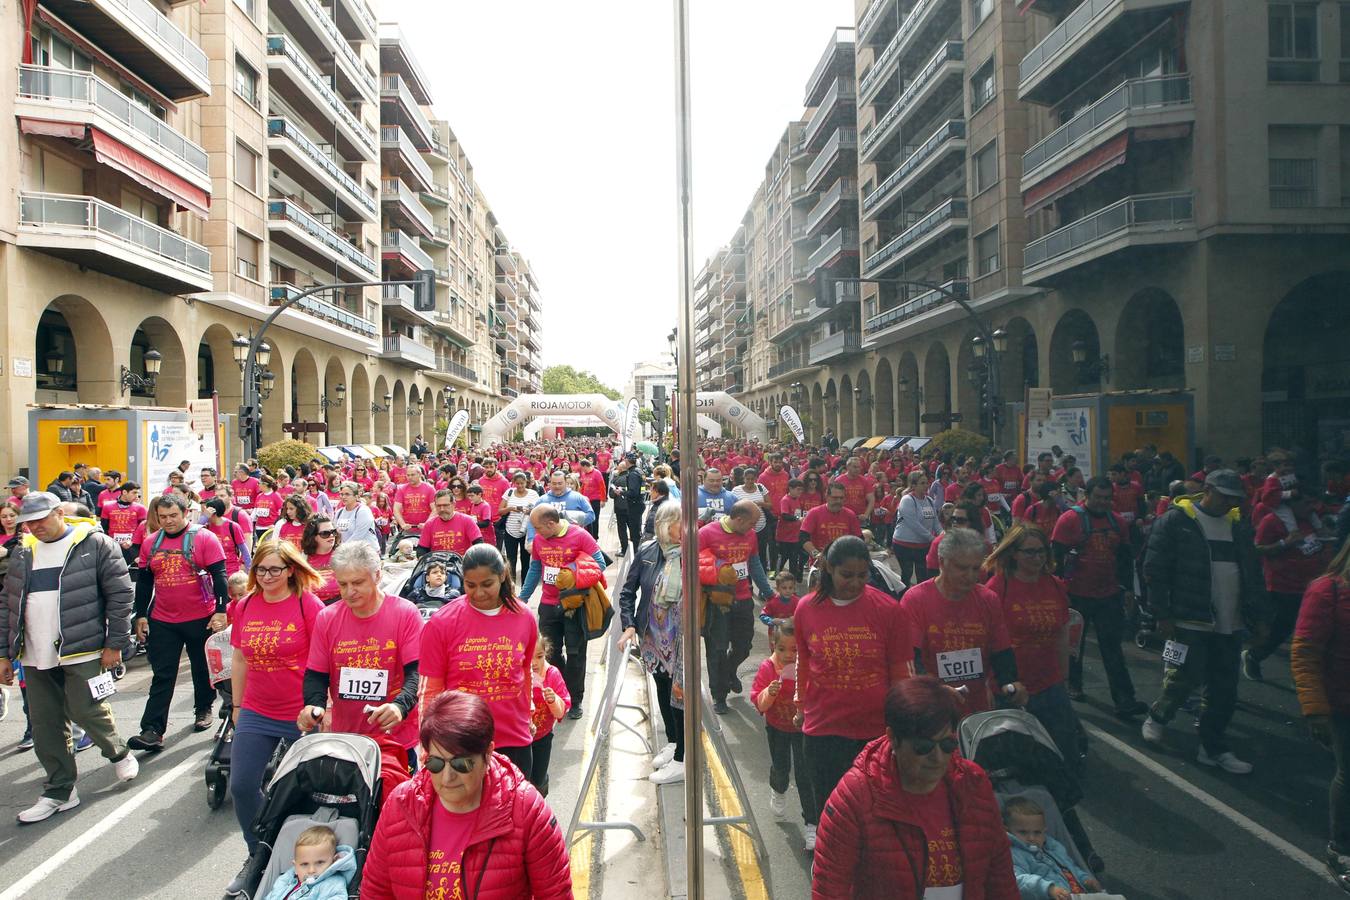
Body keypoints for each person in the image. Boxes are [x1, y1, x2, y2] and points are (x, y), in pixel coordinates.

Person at [811, 676, 1019, 899]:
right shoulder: (854, 797)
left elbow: (1001, 879)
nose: (938, 758)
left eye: (947, 744)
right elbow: (829, 891)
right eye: (923, 747)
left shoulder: (974, 785)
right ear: (893, 739)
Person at [0, 492, 139, 823]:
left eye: (39, 520)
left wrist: (115, 643)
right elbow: (7, 604)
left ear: (59, 513)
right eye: (27, 523)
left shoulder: (95, 544)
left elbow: (120, 595)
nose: (34, 528)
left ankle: (117, 751)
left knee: (86, 708)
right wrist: (4, 654)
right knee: (45, 723)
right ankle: (59, 790)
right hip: (34, 652)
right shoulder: (23, 553)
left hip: (85, 647)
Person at [361, 690, 571, 899]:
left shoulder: (527, 810)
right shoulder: (400, 806)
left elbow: (556, 894)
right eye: (435, 764)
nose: (447, 777)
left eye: (461, 764)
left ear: (488, 754)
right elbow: (376, 891)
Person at [794, 535, 912, 851]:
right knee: (831, 813)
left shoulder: (888, 610)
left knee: (875, 814)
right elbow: (804, 661)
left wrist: (903, 723)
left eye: (863, 575)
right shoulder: (806, 608)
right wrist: (800, 705)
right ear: (829, 569)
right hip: (823, 730)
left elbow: (902, 672)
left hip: (875, 731)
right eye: (848, 575)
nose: (856, 583)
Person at [1142, 469, 1264, 774]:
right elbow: (1154, 569)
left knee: (1224, 689)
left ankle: (1213, 747)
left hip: (1230, 621)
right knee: (1183, 676)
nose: (1229, 503)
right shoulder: (1175, 521)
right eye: (1225, 496)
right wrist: (1162, 614)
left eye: (1235, 498)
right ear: (1208, 490)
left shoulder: (1238, 526)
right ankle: (1159, 716)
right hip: (1189, 618)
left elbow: (1253, 572)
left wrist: (1261, 617)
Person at [298, 542, 422, 797]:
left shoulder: (405, 613)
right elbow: (316, 674)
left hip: (396, 740)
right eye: (343, 584)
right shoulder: (327, 618)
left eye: (357, 583)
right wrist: (314, 705)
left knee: (397, 816)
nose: (349, 592)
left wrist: (400, 706)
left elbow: (417, 672)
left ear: (377, 576)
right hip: (348, 739)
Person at [228, 541, 324, 848]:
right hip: (257, 709)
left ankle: (310, 853)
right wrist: (237, 704)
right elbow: (240, 658)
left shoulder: (307, 604)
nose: (267, 576)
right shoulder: (245, 605)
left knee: (311, 791)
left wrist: (325, 704)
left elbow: (325, 660)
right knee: (242, 786)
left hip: (302, 712)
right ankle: (258, 850)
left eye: (275, 569)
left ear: (291, 570)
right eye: (260, 569)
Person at [419, 544, 538, 780]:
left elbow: (525, 672)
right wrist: (428, 747)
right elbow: (430, 691)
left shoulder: (524, 617)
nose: (479, 593)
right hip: (461, 743)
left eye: (487, 584)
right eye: (470, 585)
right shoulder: (442, 622)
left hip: (514, 737)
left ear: (502, 575)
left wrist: (529, 714)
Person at [128, 494, 230, 751]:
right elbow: (144, 581)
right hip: (163, 619)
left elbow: (220, 575)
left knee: (200, 668)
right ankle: (152, 730)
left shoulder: (204, 538)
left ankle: (203, 708)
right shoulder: (151, 542)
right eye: (163, 517)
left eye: (173, 515)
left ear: (185, 513)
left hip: (200, 617)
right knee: (162, 674)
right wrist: (141, 614)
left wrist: (220, 610)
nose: (169, 521)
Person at [903, 529, 1026, 718]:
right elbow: (911, 658)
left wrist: (1011, 682)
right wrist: (936, 690)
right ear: (942, 563)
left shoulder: (988, 599)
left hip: (977, 706)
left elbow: (1001, 650)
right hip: (933, 705)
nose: (970, 576)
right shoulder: (916, 600)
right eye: (962, 568)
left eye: (976, 568)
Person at [983, 524, 1078, 769]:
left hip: (1049, 683)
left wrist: (1064, 679)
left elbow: (1061, 635)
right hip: (1010, 686)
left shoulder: (1055, 585)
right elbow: (987, 639)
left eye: (1041, 551)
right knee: (1017, 760)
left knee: (1065, 753)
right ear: (1014, 553)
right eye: (1030, 552)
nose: (1037, 557)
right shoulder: (997, 588)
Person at [1051, 477, 1145, 717]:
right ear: (1087, 496)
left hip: (1108, 595)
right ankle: (1073, 684)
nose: (1102, 502)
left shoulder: (1118, 523)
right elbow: (1056, 558)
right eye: (1098, 497)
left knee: (1112, 648)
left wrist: (1128, 590)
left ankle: (1125, 699)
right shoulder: (1069, 519)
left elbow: (1125, 559)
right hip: (1075, 595)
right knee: (1074, 648)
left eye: (1107, 498)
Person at [1292, 542, 1350, 889]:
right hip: (1341, 704)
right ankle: (1340, 848)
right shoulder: (1326, 590)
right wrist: (1314, 711)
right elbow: (1305, 653)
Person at [620, 501, 688, 785]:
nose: (685, 528)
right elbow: (628, 591)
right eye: (679, 522)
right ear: (664, 525)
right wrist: (629, 625)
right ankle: (673, 743)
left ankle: (684, 759)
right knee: (661, 685)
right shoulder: (648, 551)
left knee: (679, 693)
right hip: (652, 634)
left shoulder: (693, 555)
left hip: (680, 637)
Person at [519, 505, 606, 721]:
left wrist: (570, 573)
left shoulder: (580, 536)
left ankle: (575, 700)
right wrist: (522, 598)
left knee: (576, 654)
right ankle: (560, 692)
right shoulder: (540, 541)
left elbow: (600, 564)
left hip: (574, 605)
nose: (536, 534)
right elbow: (535, 569)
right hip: (548, 605)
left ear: (550, 524)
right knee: (551, 652)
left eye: (538, 528)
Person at [700, 500, 775, 715]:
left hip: (743, 598)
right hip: (718, 602)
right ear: (739, 519)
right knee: (717, 649)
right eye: (751, 524)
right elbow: (693, 564)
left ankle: (730, 672)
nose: (753, 529)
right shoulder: (706, 533)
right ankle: (719, 694)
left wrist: (768, 592)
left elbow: (754, 563)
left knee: (743, 645)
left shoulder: (750, 536)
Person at [1248, 489, 1327, 680]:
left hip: (1314, 586)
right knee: (1280, 630)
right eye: (1307, 504)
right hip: (1284, 587)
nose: (1312, 508)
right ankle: (1254, 656)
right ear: (1292, 505)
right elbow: (1257, 550)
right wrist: (1285, 543)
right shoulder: (1272, 521)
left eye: (1313, 504)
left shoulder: (1312, 520)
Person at [753, 621, 816, 842]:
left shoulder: (808, 669)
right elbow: (760, 704)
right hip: (777, 727)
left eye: (795, 650)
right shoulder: (767, 669)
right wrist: (769, 693)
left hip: (802, 729)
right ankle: (778, 790)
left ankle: (811, 824)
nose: (788, 655)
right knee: (781, 768)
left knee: (805, 774)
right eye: (782, 649)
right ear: (773, 646)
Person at [1004, 797, 1101, 900]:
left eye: (1037, 832)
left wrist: (1084, 878)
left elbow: (1070, 867)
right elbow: (1017, 880)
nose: (1031, 838)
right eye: (1023, 832)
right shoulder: (1014, 853)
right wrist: (1048, 888)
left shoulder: (1053, 847)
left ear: (1044, 830)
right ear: (1008, 830)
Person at [263, 824, 356, 900]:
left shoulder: (334, 884)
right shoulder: (285, 881)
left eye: (320, 862)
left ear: (334, 861)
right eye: (304, 864)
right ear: (295, 867)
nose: (311, 870)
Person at [528, 635, 570, 796]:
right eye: (528, 657)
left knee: (538, 779)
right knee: (522, 780)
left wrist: (553, 700)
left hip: (542, 737)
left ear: (545, 653)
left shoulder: (552, 675)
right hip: (519, 739)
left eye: (539, 656)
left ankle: (540, 799)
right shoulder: (517, 673)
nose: (534, 663)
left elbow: (561, 711)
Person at [893, 470, 941, 586]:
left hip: (923, 545)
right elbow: (914, 524)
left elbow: (936, 522)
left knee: (923, 576)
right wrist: (932, 539)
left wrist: (942, 535)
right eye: (922, 483)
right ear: (913, 485)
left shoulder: (929, 500)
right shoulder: (907, 500)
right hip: (904, 545)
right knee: (907, 575)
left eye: (926, 483)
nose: (926, 486)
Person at [800, 482, 863, 562]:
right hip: (821, 563)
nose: (838, 501)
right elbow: (803, 537)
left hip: (843, 563)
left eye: (841, 498)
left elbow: (859, 539)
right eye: (835, 498)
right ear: (827, 496)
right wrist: (816, 555)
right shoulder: (814, 513)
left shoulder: (850, 515)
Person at [418, 488, 483, 557]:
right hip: (437, 564)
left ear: (453, 504)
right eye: (438, 506)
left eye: (445, 505)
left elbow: (479, 544)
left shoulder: (467, 520)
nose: (442, 509)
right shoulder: (429, 524)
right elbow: (422, 549)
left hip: (461, 563)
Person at [498, 472, 538, 582]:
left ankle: (525, 584)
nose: (520, 486)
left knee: (525, 560)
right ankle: (511, 584)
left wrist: (530, 511)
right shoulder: (509, 492)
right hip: (510, 530)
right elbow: (500, 511)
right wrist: (511, 508)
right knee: (511, 559)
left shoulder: (533, 494)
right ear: (514, 483)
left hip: (527, 531)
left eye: (522, 483)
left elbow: (538, 510)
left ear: (526, 482)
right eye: (517, 483)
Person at [204, 498, 252, 577]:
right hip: (212, 571)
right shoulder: (206, 527)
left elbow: (244, 550)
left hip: (231, 571)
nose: (205, 514)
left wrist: (249, 570)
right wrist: (204, 518)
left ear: (213, 513)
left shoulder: (233, 526)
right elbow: (193, 533)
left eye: (207, 512)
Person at [301, 514, 342, 605]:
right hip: (312, 607)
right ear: (313, 537)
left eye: (333, 532)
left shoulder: (343, 555)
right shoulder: (303, 558)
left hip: (340, 607)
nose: (331, 536)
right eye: (325, 533)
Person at [610, 454, 645, 556]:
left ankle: (637, 556)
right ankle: (638, 554)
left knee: (634, 534)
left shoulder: (633, 474)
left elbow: (633, 492)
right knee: (636, 532)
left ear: (628, 461)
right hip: (638, 504)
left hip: (633, 505)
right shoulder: (639, 471)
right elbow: (639, 490)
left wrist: (621, 492)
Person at [332, 480, 380, 549]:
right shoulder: (339, 512)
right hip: (347, 553)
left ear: (356, 496)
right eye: (342, 494)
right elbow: (336, 533)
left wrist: (341, 549)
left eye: (347, 494)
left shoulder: (363, 511)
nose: (343, 497)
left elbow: (358, 536)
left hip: (365, 553)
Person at [392, 465, 436, 538]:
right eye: (408, 475)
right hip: (408, 530)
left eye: (412, 475)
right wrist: (402, 524)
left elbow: (435, 509)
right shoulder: (402, 489)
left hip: (425, 529)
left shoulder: (430, 488)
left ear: (419, 474)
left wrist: (427, 523)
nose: (410, 477)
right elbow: (396, 509)